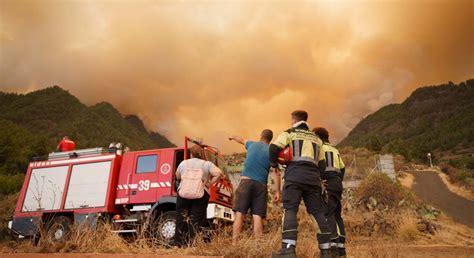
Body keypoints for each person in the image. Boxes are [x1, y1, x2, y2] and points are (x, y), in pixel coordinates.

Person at [269, 110, 331, 258]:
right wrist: (319, 178)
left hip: (294, 177)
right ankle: (326, 251)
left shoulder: (289, 133)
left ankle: (288, 250)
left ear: (293, 120)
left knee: (290, 210)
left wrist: (274, 164)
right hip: (313, 180)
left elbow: (273, 148)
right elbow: (322, 164)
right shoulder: (317, 139)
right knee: (317, 213)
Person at [229, 129, 280, 244]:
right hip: (260, 186)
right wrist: (277, 191)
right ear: (270, 139)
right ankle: (258, 247)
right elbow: (276, 172)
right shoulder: (271, 150)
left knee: (240, 214)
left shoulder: (251, 144)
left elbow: (241, 139)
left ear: (261, 135)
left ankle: (234, 245)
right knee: (257, 216)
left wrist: (232, 136)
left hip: (245, 183)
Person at [174, 145, 223, 247]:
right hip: (200, 195)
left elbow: (177, 175)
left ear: (191, 154)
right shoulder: (206, 164)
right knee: (195, 220)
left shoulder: (184, 163)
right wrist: (209, 183)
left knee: (181, 219)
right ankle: (192, 245)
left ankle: (178, 245)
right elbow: (219, 173)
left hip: (184, 194)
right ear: (201, 154)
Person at [313, 127, 346, 258]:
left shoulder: (319, 148)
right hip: (337, 184)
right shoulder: (335, 150)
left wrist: (321, 180)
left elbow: (317, 166)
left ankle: (332, 247)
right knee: (337, 215)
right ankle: (341, 249)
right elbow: (342, 168)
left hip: (328, 184)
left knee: (328, 214)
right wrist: (337, 180)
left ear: (318, 137)